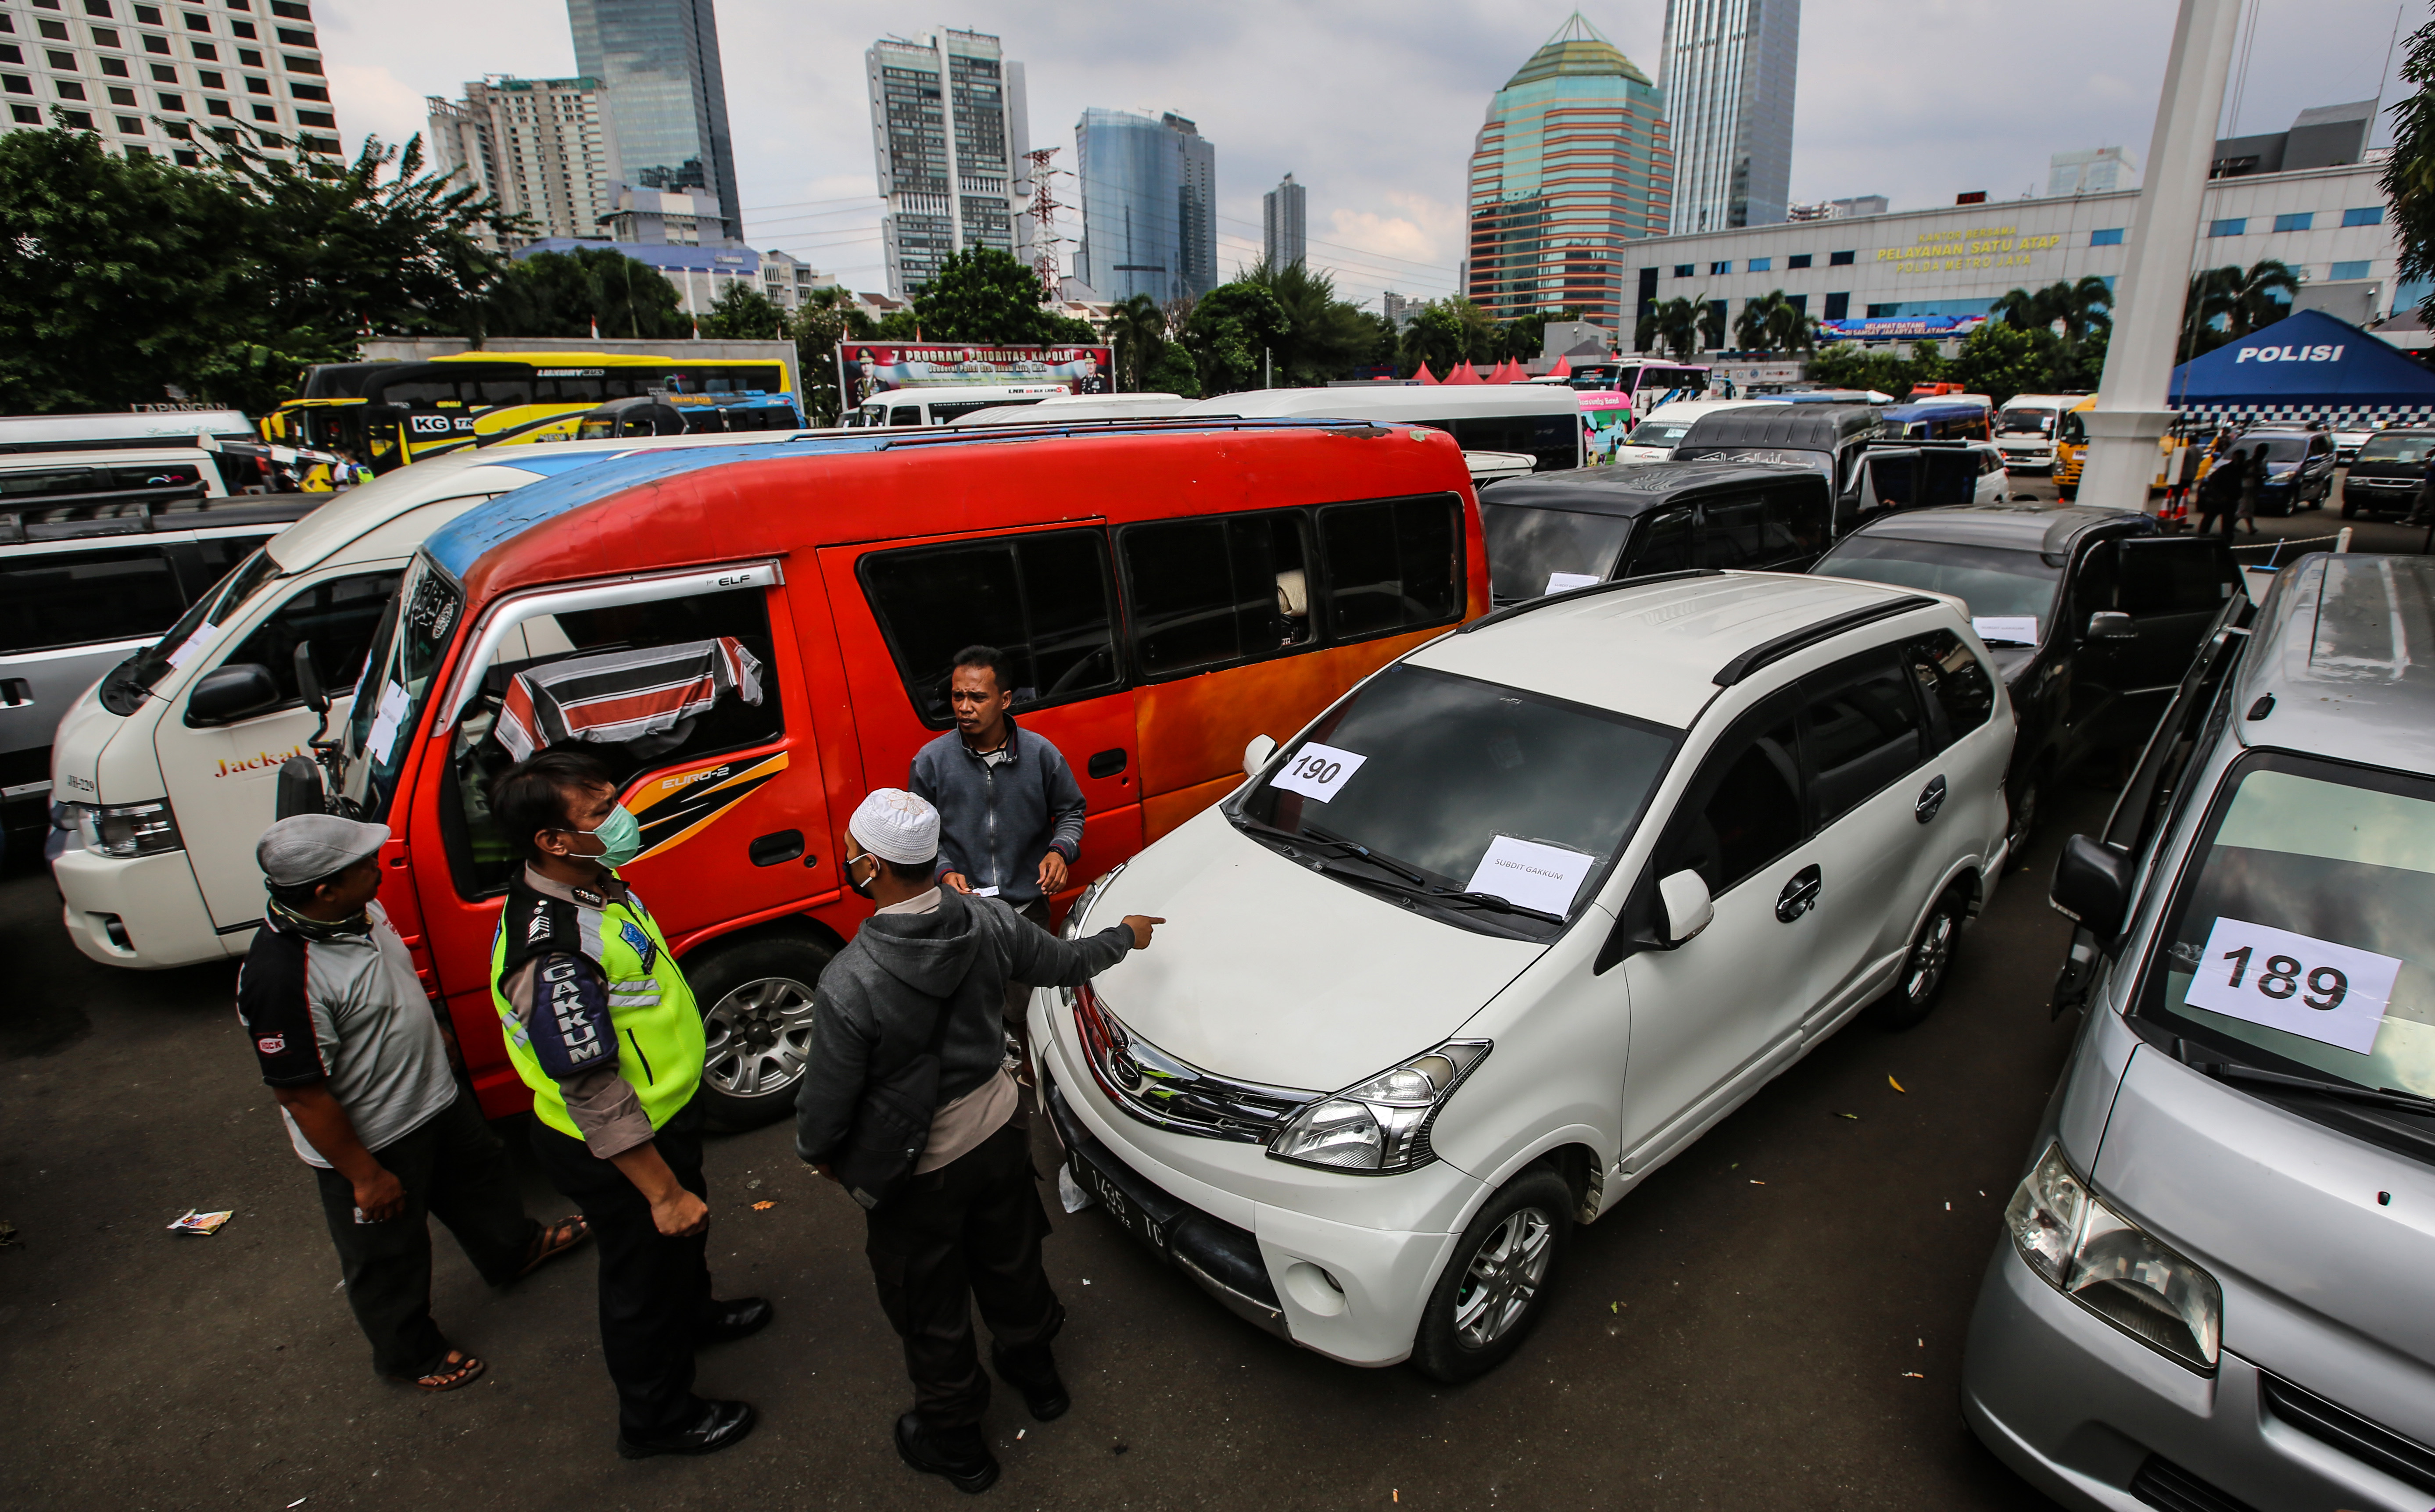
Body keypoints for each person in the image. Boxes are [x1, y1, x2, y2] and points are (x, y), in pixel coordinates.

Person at [795, 789, 1162, 1494]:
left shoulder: (850, 980)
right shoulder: (990, 920)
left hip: (918, 1172)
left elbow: (826, 1107)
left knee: (930, 1306)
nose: (845, 858)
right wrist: (1126, 934)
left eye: (849, 851)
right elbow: (1064, 963)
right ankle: (1039, 1378)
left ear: (871, 866)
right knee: (1011, 1259)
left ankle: (958, 1444)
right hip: (999, 1133)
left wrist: (820, 1154)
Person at [237, 814, 591, 1392]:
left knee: (482, 1177)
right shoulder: (281, 978)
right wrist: (365, 1174)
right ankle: (409, 1351)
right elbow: (301, 1092)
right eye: (363, 865)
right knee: (387, 1252)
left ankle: (514, 1250)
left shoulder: (360, 911)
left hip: (436, 1097)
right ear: (325, 889)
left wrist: (433, 1031)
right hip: (375, 1138)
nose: (378, 868)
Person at [488, 747, 768, 1460]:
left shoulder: (592, 883)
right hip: (621, 1147)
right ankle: (658, 1419)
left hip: (665, 1115)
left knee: (678, 1250)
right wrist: (661, 1189)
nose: (621, 818)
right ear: (552, 840)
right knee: (639, 1280)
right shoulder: (555, 950)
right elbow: (592, 1087)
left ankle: (696, 1313)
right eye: (599, 812)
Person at [909, 644, 1088, 972]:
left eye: (977, 697)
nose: (964, 708)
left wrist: (1060, 851)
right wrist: (944, 872)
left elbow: (1071, 812)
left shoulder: (1040, 754)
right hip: (964, 913)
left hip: (1028, 910)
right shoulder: (931, 762)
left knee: (1027, 1007)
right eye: (957, 696)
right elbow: (921, 837)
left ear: (1005, 700)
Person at [2236, 443, 2264, 536]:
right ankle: (2250, 528)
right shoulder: (2249, 462)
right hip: (2247, 486)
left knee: (2248, 507)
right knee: (2246, 507)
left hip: (2255, 487)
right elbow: (2242, 474)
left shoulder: (2262, 462)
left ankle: (2249, 527)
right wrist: (2254, 475)